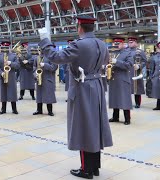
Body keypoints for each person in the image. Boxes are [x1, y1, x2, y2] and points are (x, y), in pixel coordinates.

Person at [38, 15, 113, 179]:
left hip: (83, 89)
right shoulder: (102, 44)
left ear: (79, 27)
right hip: (97, 86)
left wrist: (45, 40)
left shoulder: (79, 45)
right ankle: (94, 167)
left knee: (84, 128)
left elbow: (56, 58)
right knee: (94, 127)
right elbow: (105, 62)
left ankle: (86, 169)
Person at [108, 38, 134, 125]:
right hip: (113, 79)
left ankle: (127, 118)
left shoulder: (128, 53)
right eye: (115, 43)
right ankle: (115, 117)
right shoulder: (112, 52)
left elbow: (129, 65)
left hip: (123, 79)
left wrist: (117, 62)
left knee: (124, 99)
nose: (116, 45)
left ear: (123, 44)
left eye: (118, 43)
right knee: (115, 98)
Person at [0, 42, 20, 114]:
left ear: (9, 48)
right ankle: (3, 109)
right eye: (4, 47)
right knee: (3, 93)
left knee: (12, 92)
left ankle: (14, 109)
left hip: (11, 76)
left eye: (7, 47)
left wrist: (10, 63)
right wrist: (1, 73)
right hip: (2, 76)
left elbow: (18, 65)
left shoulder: (13, 56)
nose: (5, 48)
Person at [33, 48, 57, 116]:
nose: (40, 51)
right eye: (39, 50)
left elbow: (54, 67)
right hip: (39, 78)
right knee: (39, 95)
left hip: (47, 79)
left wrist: (45, 65)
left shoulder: (51, 57)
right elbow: (34, 68)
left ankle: (50, 111)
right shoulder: (36, 58)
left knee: (48, 95)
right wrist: (35, 74)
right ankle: (39, 110)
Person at [128, 37, 147, 108]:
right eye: (129, 42)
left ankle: (137, 103)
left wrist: (139, 66)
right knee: (127, 88)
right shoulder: (126, 51)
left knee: (137, 89)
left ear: (136, 43)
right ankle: (127, 102)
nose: (130, 44)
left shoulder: (140, 51)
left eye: (131, 42)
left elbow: (145, 61)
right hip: (127, 72)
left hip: (136, 72)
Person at [149, 42, 160, 110]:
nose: (157, 49)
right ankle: (158, 106)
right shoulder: (154, 57)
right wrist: (151, 77)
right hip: (156, 76)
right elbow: (152, 68)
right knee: (158, 91)